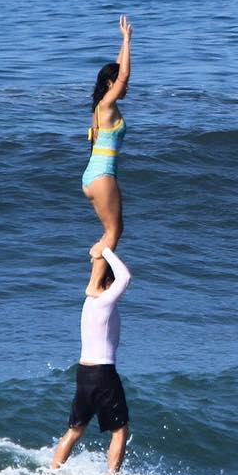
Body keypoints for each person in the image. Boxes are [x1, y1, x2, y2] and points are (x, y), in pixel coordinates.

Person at [51, 245, 132, 474]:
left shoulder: (88, 303)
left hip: (84, 373)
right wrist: (105, 250)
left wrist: (99, 259)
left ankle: (52, 474)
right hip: (102, 373)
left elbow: (100, 281)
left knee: (75, 430)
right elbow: (125, 277)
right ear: (108, 283)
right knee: (120, 431)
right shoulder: (104, 302)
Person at [84, 15, 132, 295]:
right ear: (111, 84)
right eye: (119, 83)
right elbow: (122, 75)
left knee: (111, 231)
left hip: (91, 175)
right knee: (114, 232)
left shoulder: (99, 108)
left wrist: (120, 46)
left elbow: (118, 73)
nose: (126, 86)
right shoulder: (106, 105)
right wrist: (127, 40)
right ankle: (94, 285)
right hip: (102, 174)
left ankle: (99, 278)